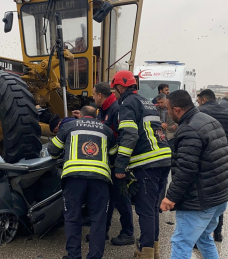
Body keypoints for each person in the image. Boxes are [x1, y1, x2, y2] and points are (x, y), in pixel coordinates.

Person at [161, 90, 228, 259]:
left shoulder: (189, 129)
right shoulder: (209, 120)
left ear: (177, 109)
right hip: (220, 196)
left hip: (200, 200)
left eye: (169, 109)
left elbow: (186, 170)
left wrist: (170, 197)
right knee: (203, 237)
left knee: (181, 243)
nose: (168, 113)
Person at [111, 70, 171, 259]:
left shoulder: (127, 104)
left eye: (115, 89)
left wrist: (120, 166)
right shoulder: (146, 102)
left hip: (148, 162)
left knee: (145, 210)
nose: (114, 93)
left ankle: (145, 253)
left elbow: (129, 134)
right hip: (163, 158)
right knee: (153, 208)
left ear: (121, 87)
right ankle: (154, 250)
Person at [47, 106, 117, 259]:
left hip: (74, 179)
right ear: (95, 116)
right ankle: (95, 256)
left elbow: (53, 150)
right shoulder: (106, 130)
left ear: (81, 116)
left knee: (72, 217)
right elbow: (113, 156)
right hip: (100, 180)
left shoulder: (69, 126)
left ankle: (74, 255)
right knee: (99, 219)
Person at [84, 82, 135, 246]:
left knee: (121, 198)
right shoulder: (103, 109)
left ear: (100, 95)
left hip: (116, 162)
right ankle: (102, 231)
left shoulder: (116, 109)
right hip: (107, 162)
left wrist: (120, 164)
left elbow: (122, 137)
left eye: (93, 94)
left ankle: (128, 232)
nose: (92, 97)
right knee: (107, 199)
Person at [197, 89, 228, 242]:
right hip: (224, 158)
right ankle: (218, 232)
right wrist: (224, 145)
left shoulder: (199, 112)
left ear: (203, 99)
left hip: (204, 160)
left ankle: (201, 234)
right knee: (220, 194)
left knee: (203, 195)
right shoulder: (227, 112)